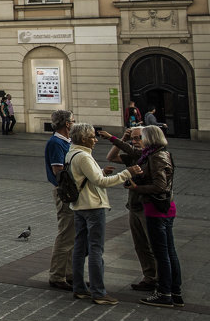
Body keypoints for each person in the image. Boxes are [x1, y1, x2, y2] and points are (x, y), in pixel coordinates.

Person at [66, 123, 140, 305]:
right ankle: (98, 292)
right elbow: (101, 182)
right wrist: (126, 173)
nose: (95, 139)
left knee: (80, 248)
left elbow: (85, 177)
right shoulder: (83, 156)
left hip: (79, 206)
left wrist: (101, 171)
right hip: (92, 207)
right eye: (92, 136)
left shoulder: (71, 153)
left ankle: (79, 288)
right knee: (95, 250)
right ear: (83, 138)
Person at [98, 127, 157, 293]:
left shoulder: (149, 156)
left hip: (147, 206)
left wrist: (113, 137)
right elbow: (111, 157)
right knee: (140, 244)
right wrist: (123, 137)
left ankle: (160, 278)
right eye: (133, 138)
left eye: (138, 138)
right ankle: (149, 277)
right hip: (133, 205)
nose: (135, 141)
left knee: (152, 244)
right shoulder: (134, 156)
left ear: (148, 139)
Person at [128, 125, 182, 307]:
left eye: (141, 137)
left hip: (156, 209)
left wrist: (137, 188)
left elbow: (160, 186)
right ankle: (175, 292)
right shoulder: (156, 154)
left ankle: (165, 293)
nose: (138, 140)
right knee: (168, 251)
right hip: (164, 207)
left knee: (162, 253)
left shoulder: (157, 156)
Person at [44, 110, 75, 289]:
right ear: (67, 124)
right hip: (65, 192)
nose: (74, 122)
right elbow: (58, 170)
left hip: (70, 191)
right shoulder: (56, 142)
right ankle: (57, 275)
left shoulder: (66, 141)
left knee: (72, 235)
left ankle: (69, 273)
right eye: (73, 120)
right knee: (66, 234)